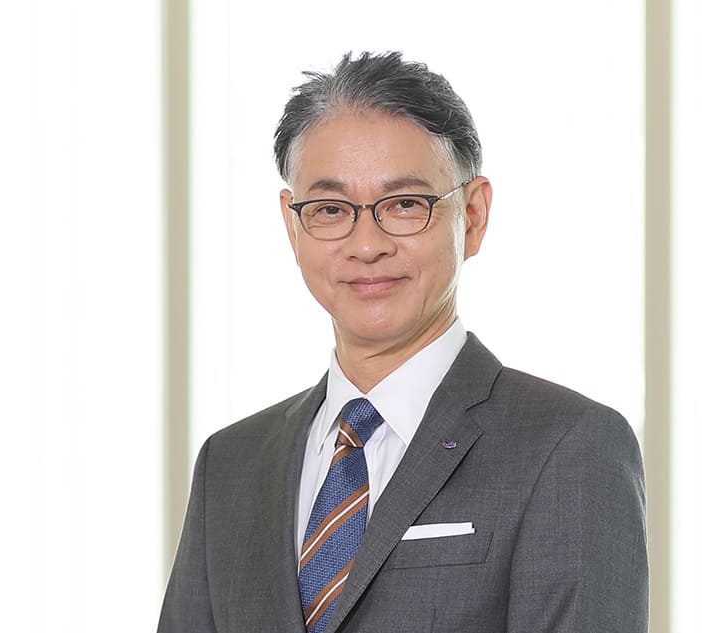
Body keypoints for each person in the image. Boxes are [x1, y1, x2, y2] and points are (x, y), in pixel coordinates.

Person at [158, 51, 648, 633]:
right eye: (330, 209)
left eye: (405, 205)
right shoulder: (229, 464)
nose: (367, 245)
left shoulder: (568, 446)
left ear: (473, 215)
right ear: (293, 225)